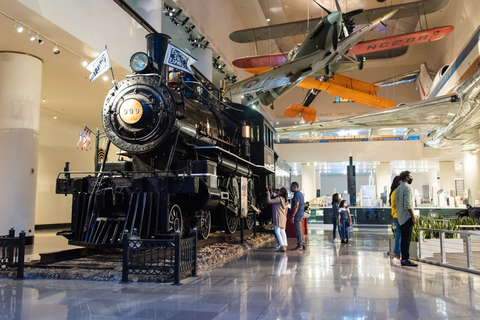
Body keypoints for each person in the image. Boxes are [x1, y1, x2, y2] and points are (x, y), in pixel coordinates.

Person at [395, 170, 418, 267]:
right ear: (406, 177)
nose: (411, 177)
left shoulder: (398, 188)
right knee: (406, 239)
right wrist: (413, 217)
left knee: (403, 239)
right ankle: (405, 259)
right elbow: (408, 205)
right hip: (406, 217)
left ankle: (403, 258)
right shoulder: (407, 188)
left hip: (400, 217)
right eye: (410, 176)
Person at [267, 187, 288, 252]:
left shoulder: (279, 199)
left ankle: (282, 246)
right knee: (282, 231)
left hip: (278, 217)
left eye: (279, 191)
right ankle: (284, 245)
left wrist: (268, 194)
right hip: (283, 217)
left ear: (281, 193)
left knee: (277, 231)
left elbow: (269, 201)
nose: (278, 192)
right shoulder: (285, 200)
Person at [389, 176, 402, 264]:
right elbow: (395, 204)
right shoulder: (395, 192)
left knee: (399, 235)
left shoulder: (394, 192)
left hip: (397, 215)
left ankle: (397, 253)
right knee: (399, 236)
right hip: (398, 216)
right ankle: (397, 254)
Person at [289, 182, 305, 251]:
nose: (290, 188)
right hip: (300, 213)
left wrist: (293, 215)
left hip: (297, 214)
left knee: (298, 230)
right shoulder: (299, 194)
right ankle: (302, 244)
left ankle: (300, 245)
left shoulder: (297, 195)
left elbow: (296, 206)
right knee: (300, 230)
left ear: (294, 187)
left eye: (291, 187)